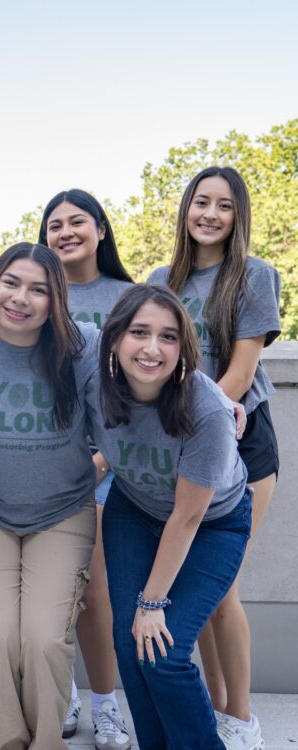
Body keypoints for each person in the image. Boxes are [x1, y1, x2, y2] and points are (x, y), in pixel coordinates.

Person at [0, 243, 98, 750]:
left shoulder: (83, 346)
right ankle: (3, 743)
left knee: (45, 639)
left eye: (38, 289)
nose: (20, 298)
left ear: (57, 300)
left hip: (63, 512)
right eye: (11, 282)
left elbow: (131, 402)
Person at [147, 166, 280, 749]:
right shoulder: (160, 279)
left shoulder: (253, 276)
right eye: (200, 202)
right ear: (185, 209)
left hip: (240, 437)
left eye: (223, 206)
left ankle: (241, 718)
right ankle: (216, 707)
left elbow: (240, 373)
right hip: (179, 443)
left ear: (237, 216)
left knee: (219, 584)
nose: (209, 214)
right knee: (199, 587)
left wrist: (202, 418)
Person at [89, 284, 252, 750]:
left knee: (163, 650)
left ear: (183, 348)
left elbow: (187, 517)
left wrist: (151, 604)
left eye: (168, 337)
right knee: (130, 644)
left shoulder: (207, 410)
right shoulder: (95, 379)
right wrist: (97, 463)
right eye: (139, 332)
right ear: (115, 337)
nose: (151, 348)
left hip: (211, 525)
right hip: (134, 510)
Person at [39, 189, 134, 750]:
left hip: (114, 466)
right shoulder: (36, 293)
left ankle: (106, 704)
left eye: (77, 222)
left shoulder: (130, 295)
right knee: (59, 593)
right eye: (54, 225)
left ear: (101, 229)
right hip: (52, 467)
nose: (66, 232)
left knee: (96, 591)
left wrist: (99, 458)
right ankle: (67, 695)